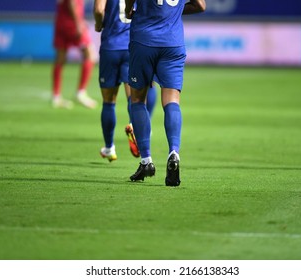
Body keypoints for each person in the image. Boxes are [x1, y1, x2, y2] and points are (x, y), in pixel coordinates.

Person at [125, 0, 206, 186]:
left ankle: (146, 161)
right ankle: (174, 152)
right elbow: (200, 5)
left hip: (144, 40)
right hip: (172, 42)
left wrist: (130, 9)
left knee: (137, 99)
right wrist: (172, 12)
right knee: (172, 100)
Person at [93, 0, 157, 162]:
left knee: (108, 102)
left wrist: (99, 25)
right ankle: (136, 128)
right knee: (135, 98)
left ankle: (109, 148)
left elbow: (99, 10)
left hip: (111, 47)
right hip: (133, 46)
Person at [52, 0, 97, 109]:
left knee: (60, 59)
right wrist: (78, 23)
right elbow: (72, 2)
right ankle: (81, 92)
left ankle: (56, 96)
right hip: (71, 24)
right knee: (90, 55)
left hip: (61, 22)